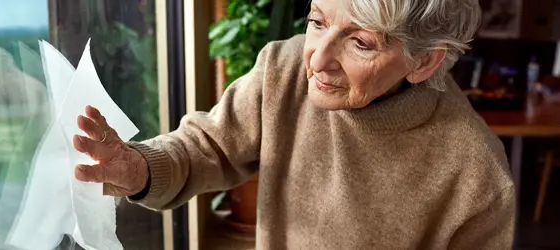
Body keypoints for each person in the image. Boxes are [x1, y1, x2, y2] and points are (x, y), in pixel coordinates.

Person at [72, 0, 515, 249]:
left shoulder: (479, 176)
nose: (317, 59)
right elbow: (205, 146)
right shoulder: (282, 69)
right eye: (318, 22)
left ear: (423, 62)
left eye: (360, 43)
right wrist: (137, 168)